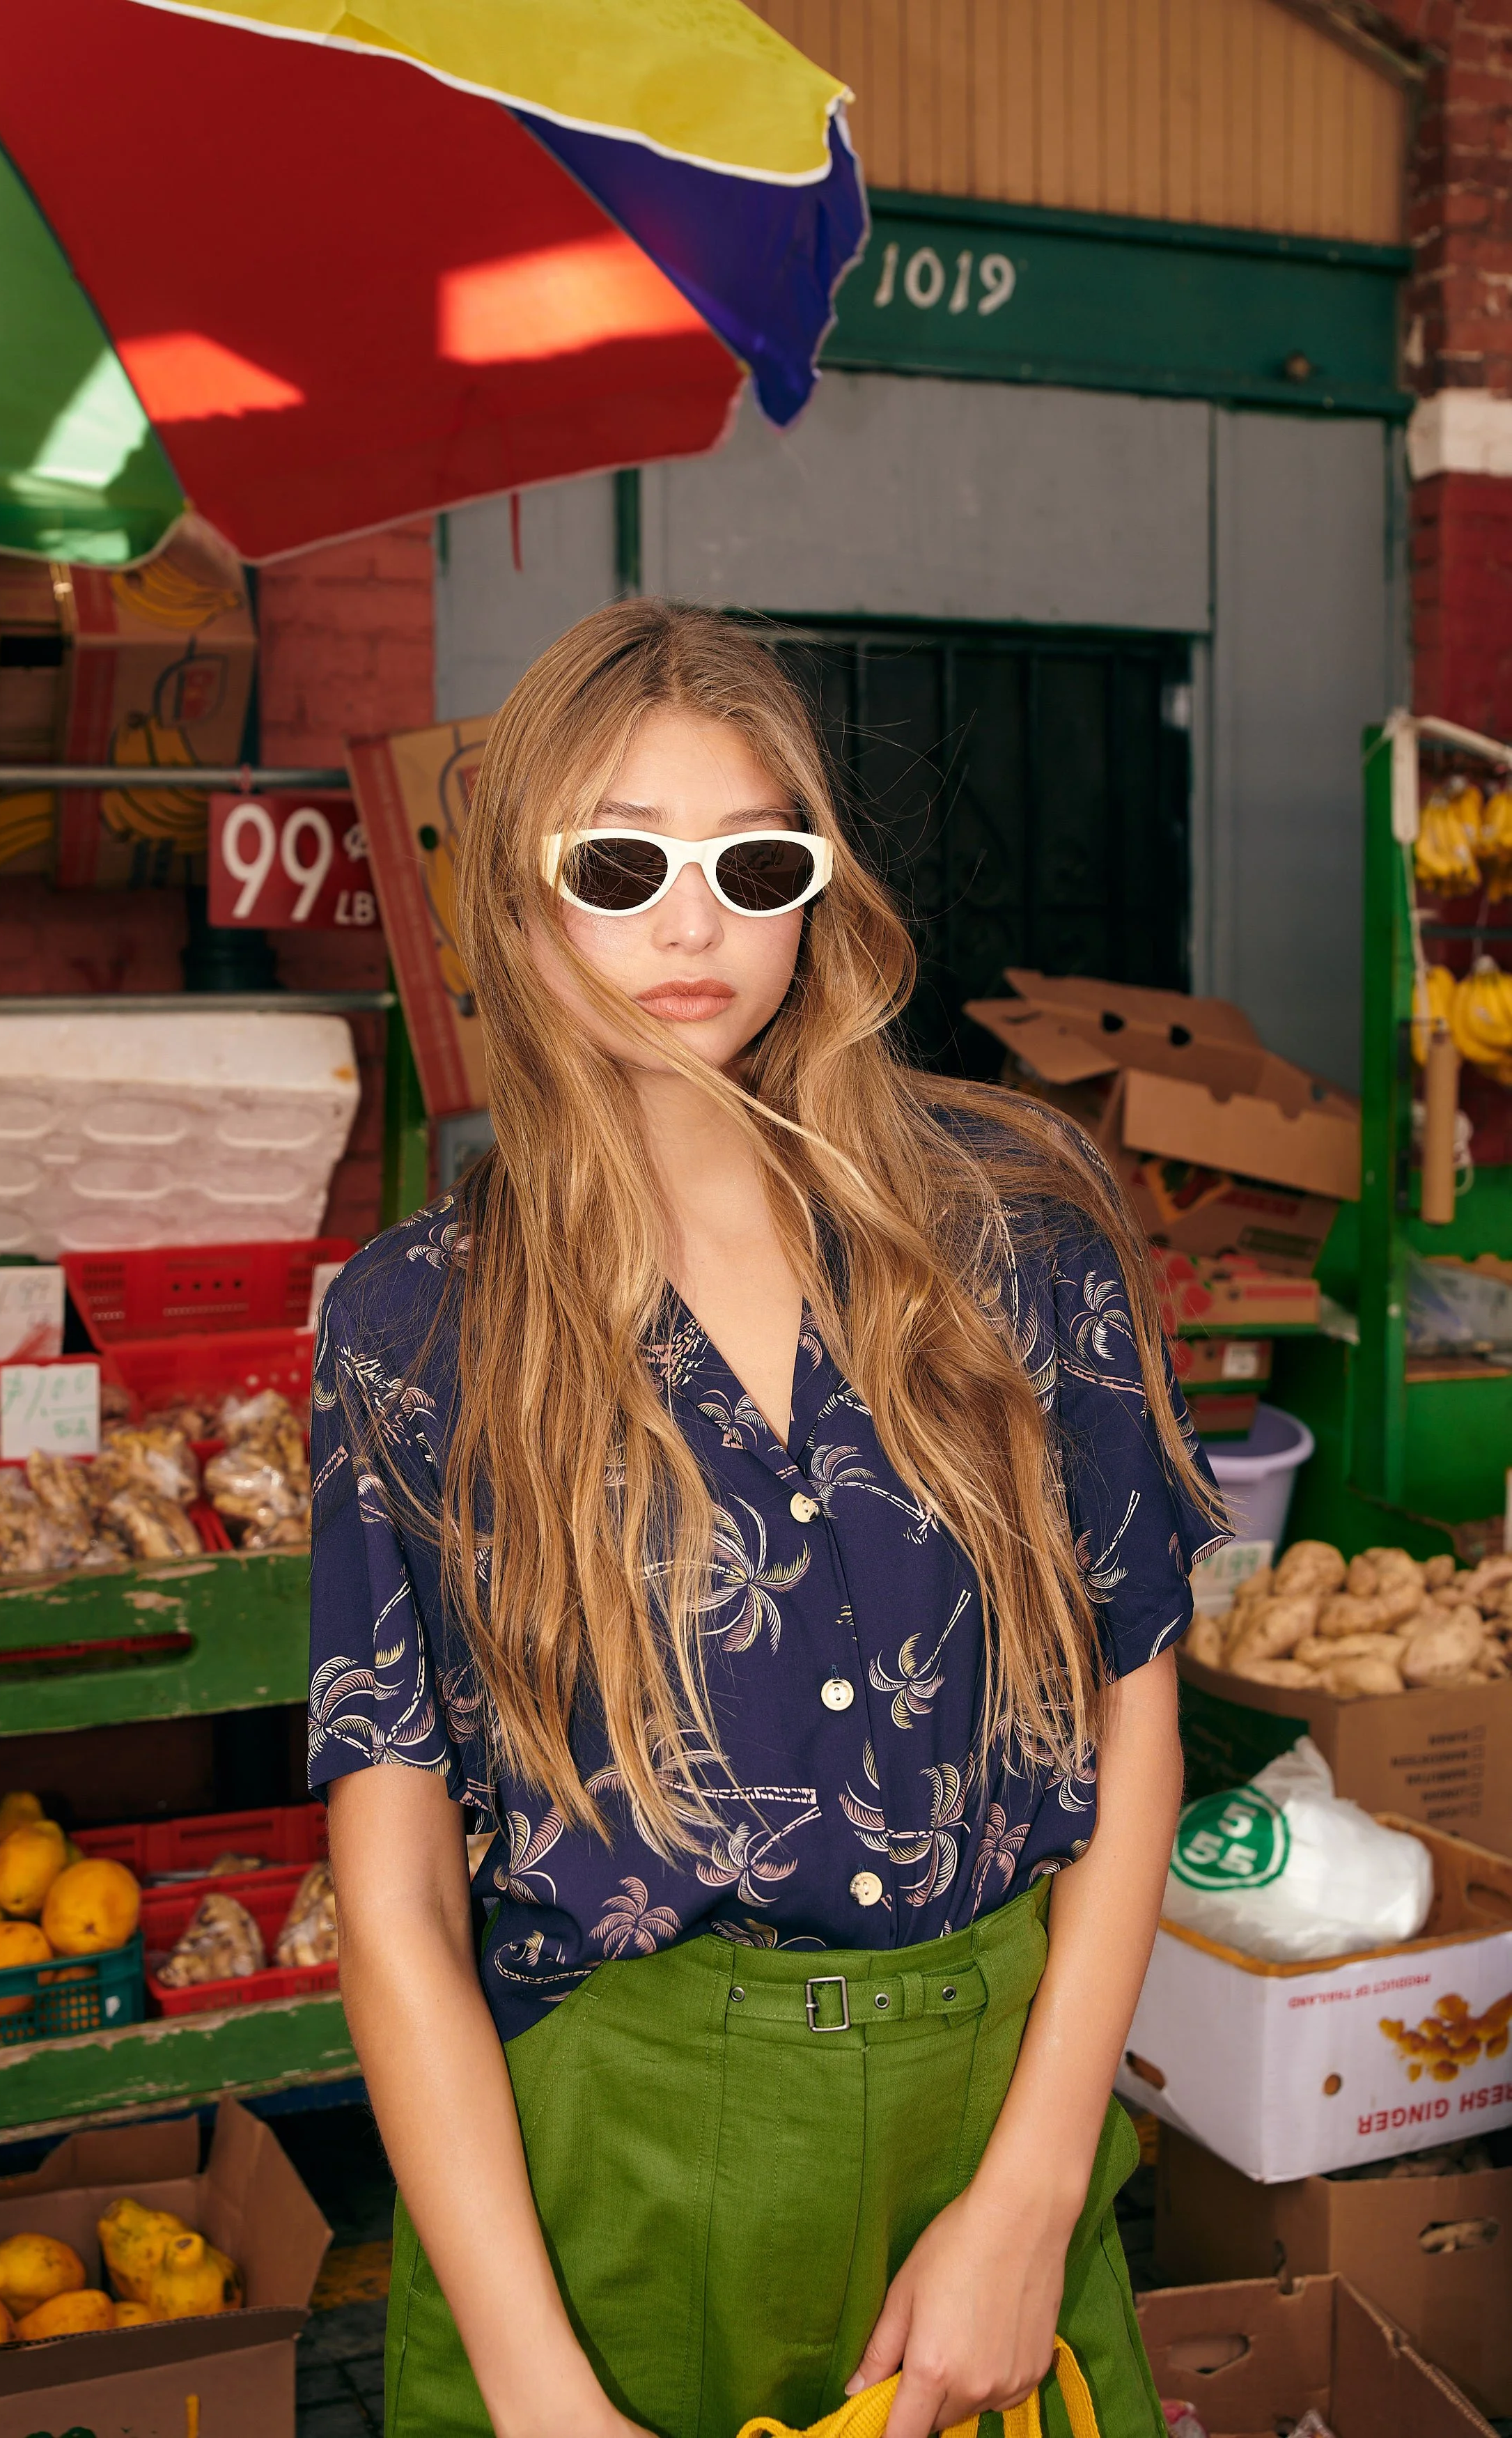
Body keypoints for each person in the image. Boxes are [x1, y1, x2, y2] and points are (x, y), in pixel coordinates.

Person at [311, 600, 1226, 2438]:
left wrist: (1037, 2190)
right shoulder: (419, 1323)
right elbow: (394, 1891)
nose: (690, 918)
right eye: (623, 859)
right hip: (603, 2178)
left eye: (753, 858)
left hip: (987, 2108)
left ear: (817, 893)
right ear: (519, 892)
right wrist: (540, 2392)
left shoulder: (1014, 1238)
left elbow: (1135, 1710)